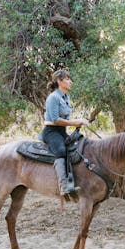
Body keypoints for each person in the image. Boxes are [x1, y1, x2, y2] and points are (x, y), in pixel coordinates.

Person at [41, 69, 88, 199]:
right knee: (61, 150)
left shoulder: (65, 97)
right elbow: (55, 120)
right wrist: (74, 122)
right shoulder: (53, 97)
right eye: (67, 79)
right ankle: (64, 186)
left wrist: (77, 122)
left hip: (61, 132)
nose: (70, 82)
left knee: (77, 147)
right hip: (51, 132)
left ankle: (75, 180)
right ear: (59, 82)